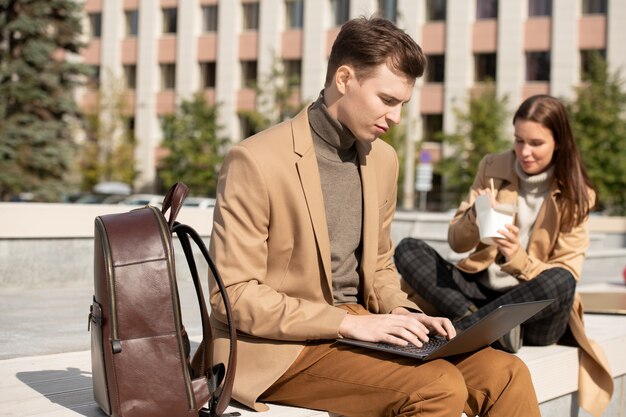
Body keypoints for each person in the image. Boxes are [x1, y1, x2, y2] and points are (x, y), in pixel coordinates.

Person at [208, 17, 541, 417]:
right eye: (387, 100)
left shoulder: (383, 160)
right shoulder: (256, 160)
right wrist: (347, 324)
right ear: (345, 79)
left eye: (403, 104)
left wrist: (402, 312)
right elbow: (232, 296)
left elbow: (380, 266)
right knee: (436, 388)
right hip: (282, 347)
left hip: (365, 328)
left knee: (507, 373)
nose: (397, 117)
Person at [394, 94, 613, 416]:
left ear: (559, 142)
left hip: (532, 312)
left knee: (562, 279)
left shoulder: (578, 194)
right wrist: (474, 216)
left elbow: (568, 270)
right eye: (519, 140)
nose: (524, 152)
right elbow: (456, 241)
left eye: (536, 143)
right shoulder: (493, 166)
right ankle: (488, 327)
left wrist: (517, 258)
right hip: (478, 294)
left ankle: (470, 328)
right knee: (409, 248)